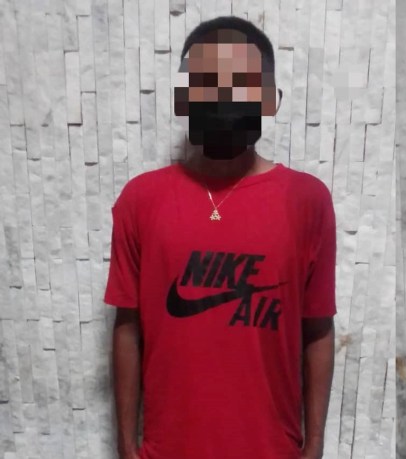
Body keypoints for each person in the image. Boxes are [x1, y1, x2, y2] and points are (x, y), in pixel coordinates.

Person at [105, 16, 336, 459]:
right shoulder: (141, 199)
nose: (225, 96)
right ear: (184, 97)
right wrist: (126, 446)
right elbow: (127, 326)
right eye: (208, 80)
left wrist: (315, 447)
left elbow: (318, 327)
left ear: (270, 99)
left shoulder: (307, 200)